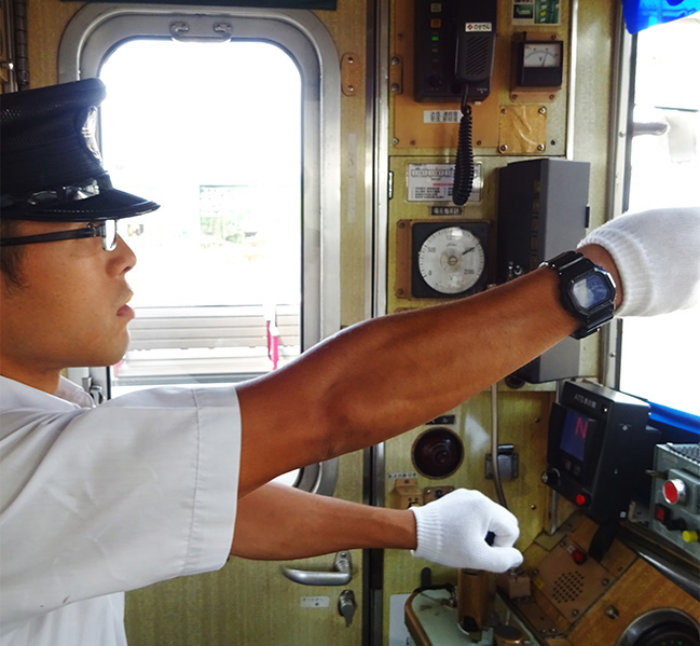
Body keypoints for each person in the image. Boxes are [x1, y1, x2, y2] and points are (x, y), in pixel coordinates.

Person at [1, 79, 698, 646]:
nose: (122, 255)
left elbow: (214, 503)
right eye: (89, 231)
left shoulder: (46, 413)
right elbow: (329, 405)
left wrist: (414, 528)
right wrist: (611, 274)